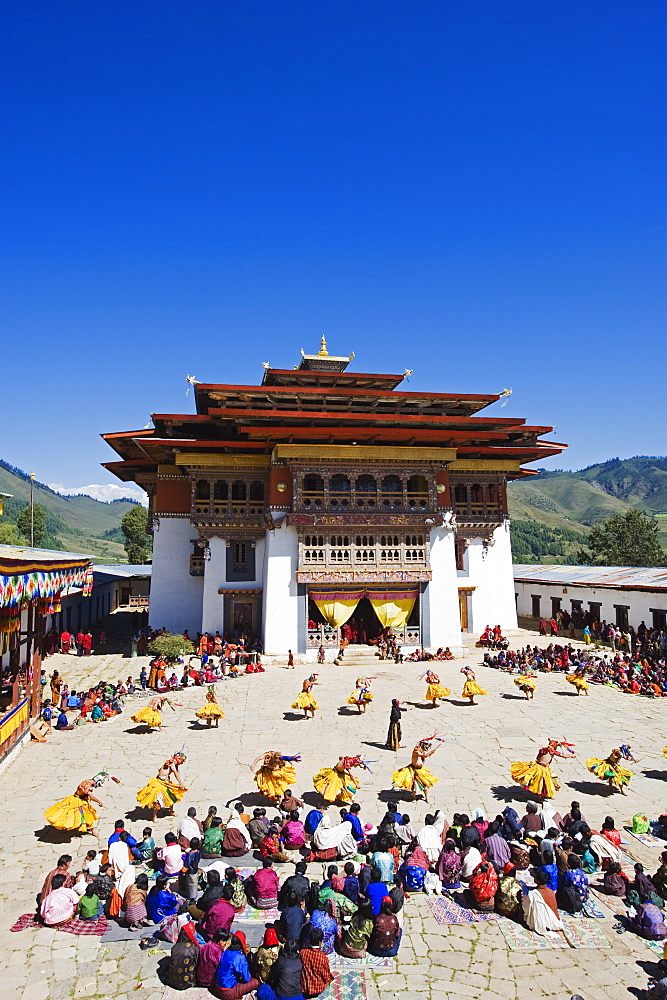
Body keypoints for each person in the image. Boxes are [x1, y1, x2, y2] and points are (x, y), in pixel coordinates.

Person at [136, 752, 187, 822]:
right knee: (157, 801)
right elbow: (175, 773)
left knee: (173, 795)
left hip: (166, 782)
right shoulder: (171, 763)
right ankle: (154, 816)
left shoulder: (171, 762)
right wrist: (181, 784)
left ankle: (171, 811)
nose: (182, 763)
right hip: (159, 783)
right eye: (182, 761)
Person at [212, 932, 258, 998]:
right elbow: (246, 979)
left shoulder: (226, 951)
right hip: (227, 992)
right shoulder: (240, 957)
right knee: (255, 982)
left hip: (218, 986)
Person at [522, 870, 563, 934]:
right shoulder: (551, 891)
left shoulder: (533, 894)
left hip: (541, 923)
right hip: (555, 921)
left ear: (537, 880)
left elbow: (525, 907)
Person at [299, 928, 334, 998]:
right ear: (320, 943)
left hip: (304, 988)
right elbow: (326, 976)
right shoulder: (322, 957)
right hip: (318, 989)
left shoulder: (302, 952)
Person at [168, 923, 201, 990]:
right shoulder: (194, 948)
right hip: (188, 981)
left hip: (173, 981)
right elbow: (198, 962)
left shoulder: (175, 947)